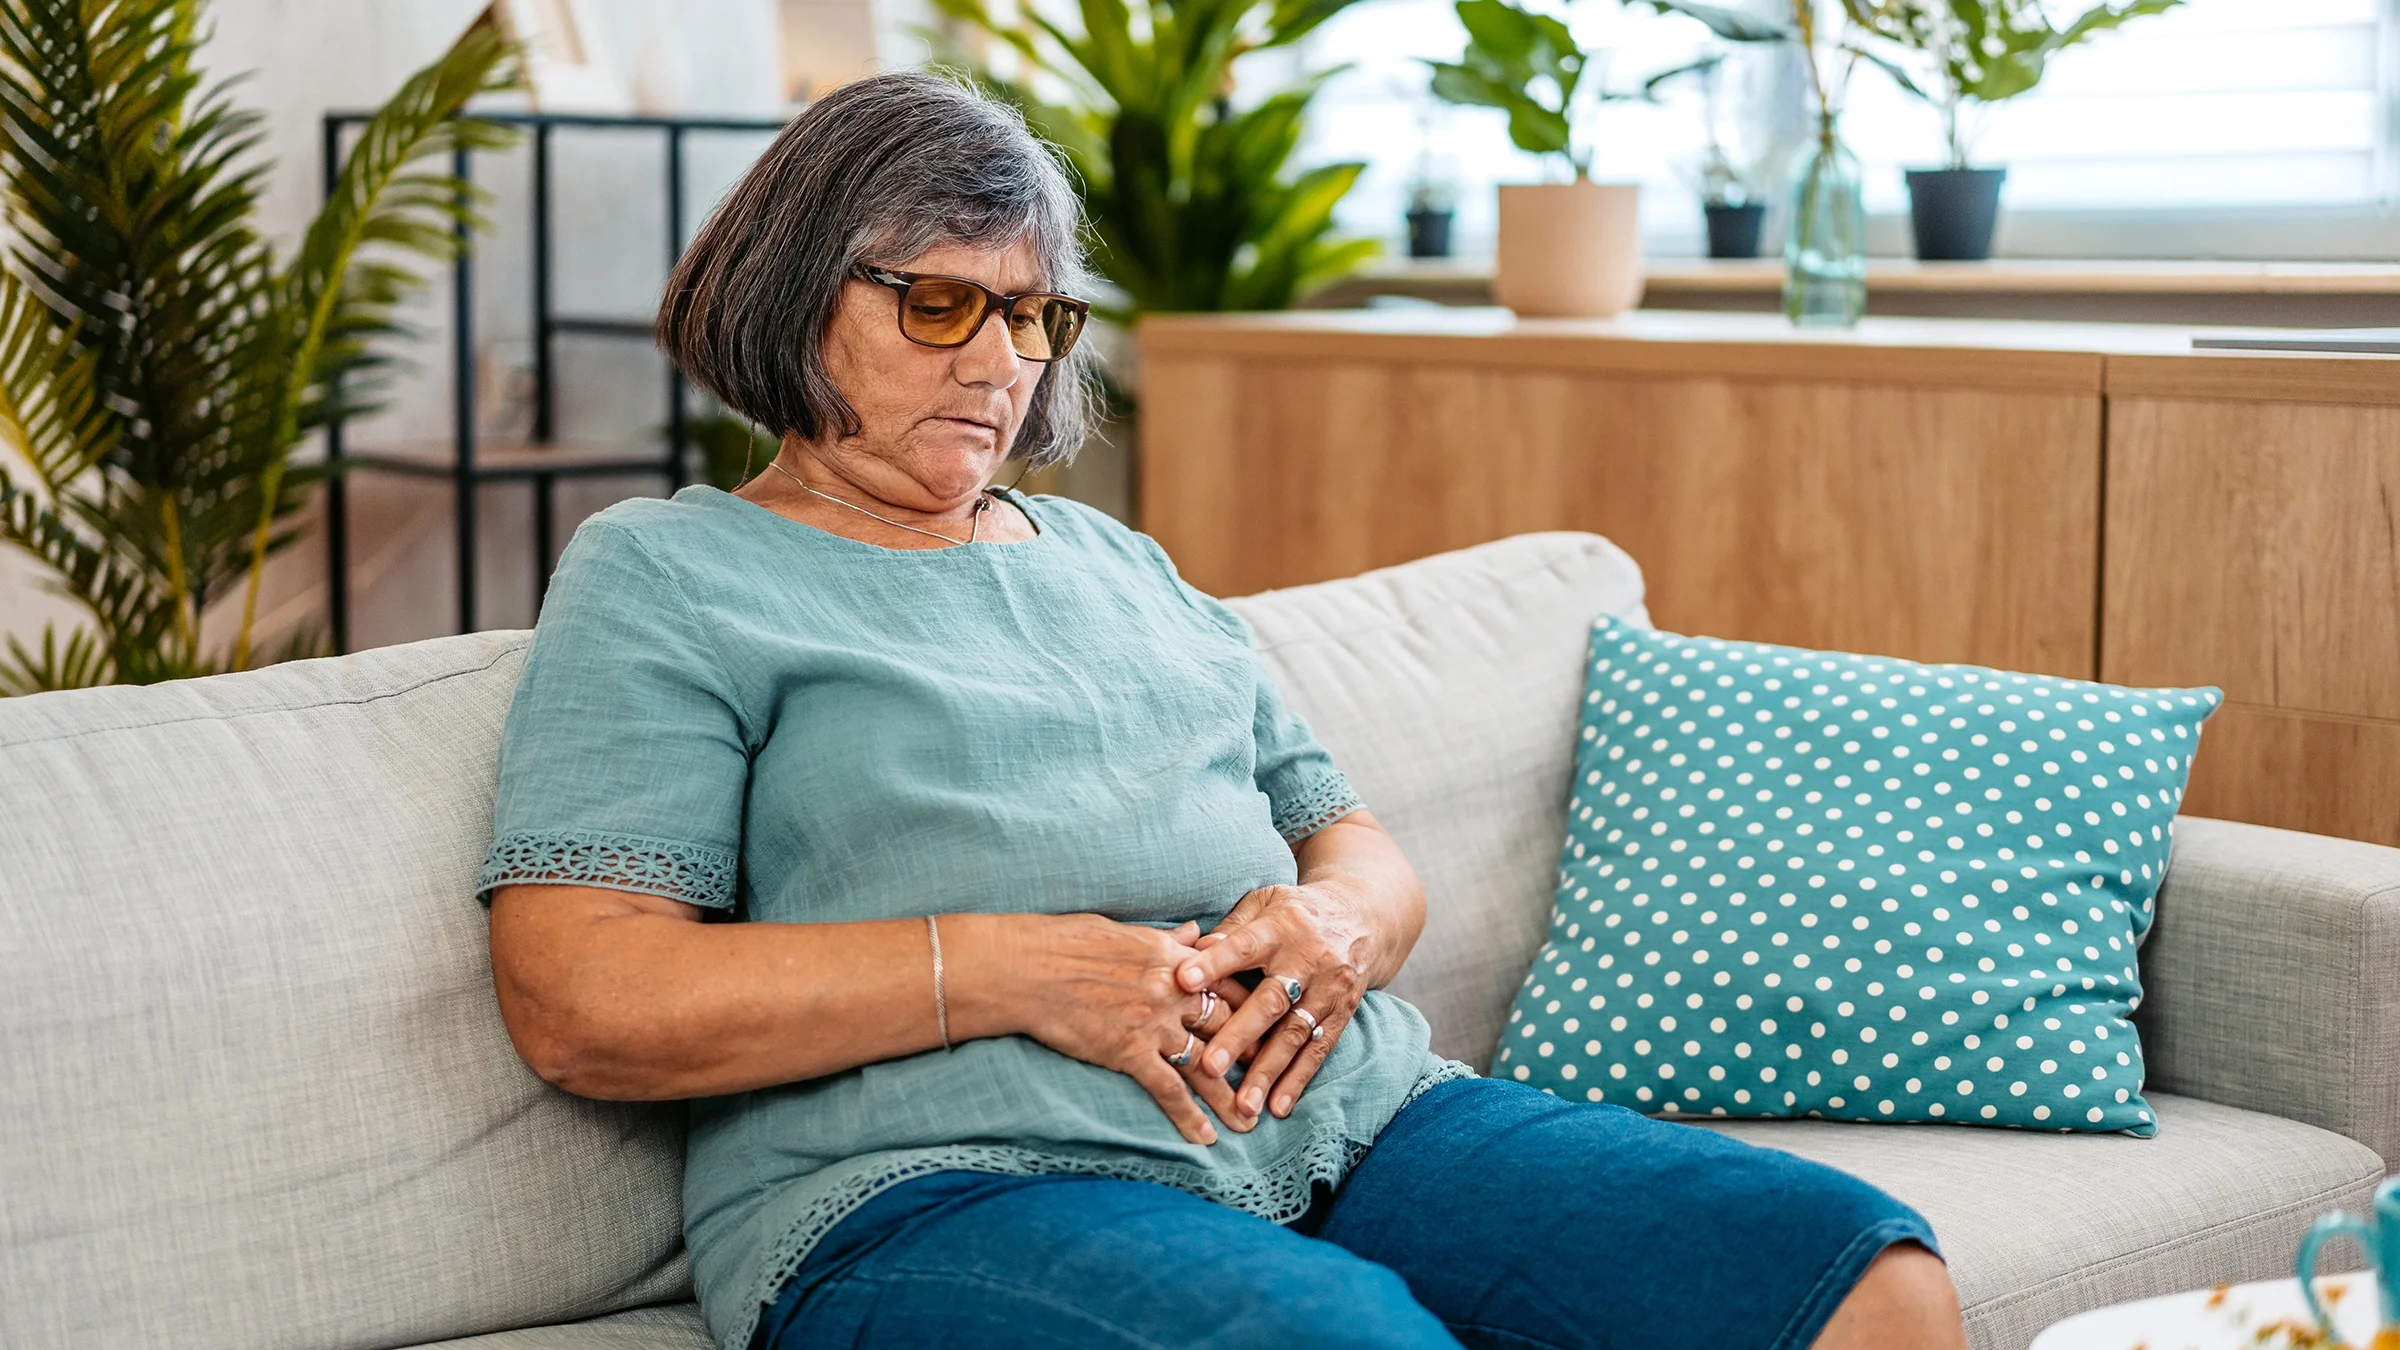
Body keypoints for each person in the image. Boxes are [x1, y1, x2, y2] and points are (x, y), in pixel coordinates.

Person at [478, 69, 1969, 1350]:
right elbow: (582, 999)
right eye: (940, 305)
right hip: (938, 1184)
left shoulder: (1127, 565)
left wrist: (1342, 929)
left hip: (1354, 1117)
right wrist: (1009, 970)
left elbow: (1354, 839)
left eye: (1032, 316)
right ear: (795, 286)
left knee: (1865, 1277)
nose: (1000, 364)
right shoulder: (673, 573)